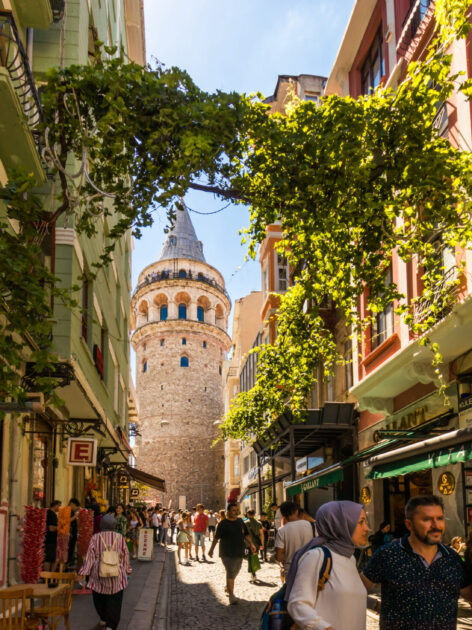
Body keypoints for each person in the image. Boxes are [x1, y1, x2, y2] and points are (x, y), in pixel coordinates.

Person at [362, 494, 469, 630]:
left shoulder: (453, 559)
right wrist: (373, 604)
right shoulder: (388, 554)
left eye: (439, 518)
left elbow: (468, 592)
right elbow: (353, 591)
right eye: (427, 519)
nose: (436, 525)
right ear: (409, 524)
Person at [286, 500, 370, 630]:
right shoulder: (317, 557)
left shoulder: (350, 558)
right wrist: (323, 627)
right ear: (340, 525)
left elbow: (344, 598)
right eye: (360, 522)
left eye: (365, 522)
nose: (367, 528)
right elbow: (297, 604)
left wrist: (374, 604)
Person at [79, 514, 132, 630]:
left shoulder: (95, 538)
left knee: (99, 597)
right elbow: (125, 555)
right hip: (116, 572)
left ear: (101, 525)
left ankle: (103, 618)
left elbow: (90, 557)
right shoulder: (119, 538)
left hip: (98, 572)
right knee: (115, 600)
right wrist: (127, 569)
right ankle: (111, 625)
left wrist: (84, 571)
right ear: (114, 525)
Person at [208, 504, 256, 605]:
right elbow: (216, 538)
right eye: (233, 510)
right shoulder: (223, 523)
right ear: (228, 512)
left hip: (239, 551)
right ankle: (231, 595)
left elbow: (246, 534)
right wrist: (211, 550)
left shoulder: (240, 521)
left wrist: (251, 544)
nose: (236, 512)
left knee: (236, 570)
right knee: (230, 571)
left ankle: (228, 586)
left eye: (236, 510)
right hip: (226, 552)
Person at [275, 501, 314, 582]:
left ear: (283, 515)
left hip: (291, 570)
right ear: (297, 511)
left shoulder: (282, 531)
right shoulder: (312, 526)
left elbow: (278, 557)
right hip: (311, 567)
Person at [245, 509, 264, 583]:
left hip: (248, 543)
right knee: (254, 557)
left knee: (250, 558)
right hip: (257, 543)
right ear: (254, 514)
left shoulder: (245, 523)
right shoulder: (259, 523)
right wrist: (262, 544)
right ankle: (253, 573)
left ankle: (253, 574)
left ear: (248, 514)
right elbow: (262, 534)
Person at [44, 500, 61, 571]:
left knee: (53, 558)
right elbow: (50, 528)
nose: (59, 508)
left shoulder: (53, 514)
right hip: (50, 540)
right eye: (59, 506)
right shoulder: (50, 514)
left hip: (53, 540)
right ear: (55, 505)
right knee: (48, 559)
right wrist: (60, 528)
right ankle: (47, 576)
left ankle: (50, 576)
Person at [68, 498, 80, 567]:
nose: (76, 508)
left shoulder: (72, 512)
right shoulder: (67, 511)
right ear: (71, 504)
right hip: (70, 535)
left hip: (73, 535)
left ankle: (66, 566)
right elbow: (67, 521)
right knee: (69, 552)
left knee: (71, 551)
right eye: (76, 506)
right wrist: (75, 516)